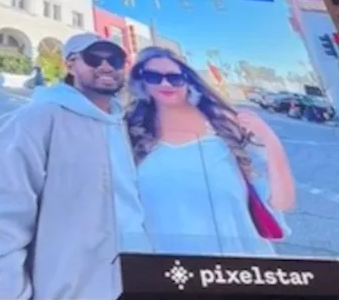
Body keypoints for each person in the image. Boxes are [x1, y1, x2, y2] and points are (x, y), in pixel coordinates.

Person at [0, 32, 150, 300]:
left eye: (114, 59)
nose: (106, 66)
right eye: (94, 58)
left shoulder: (128, 128)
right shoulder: (34, 121)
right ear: (70, 65)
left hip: (136, 295)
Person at [125, 46, 295, 256]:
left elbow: (283, 202)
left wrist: (271, 141)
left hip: (243, 269)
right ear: (141, 81)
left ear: (188, 81)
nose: (165, 84)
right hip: (169, 274)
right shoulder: (128, 135)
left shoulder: (228, 129)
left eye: (174, 78)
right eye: (153, 76)